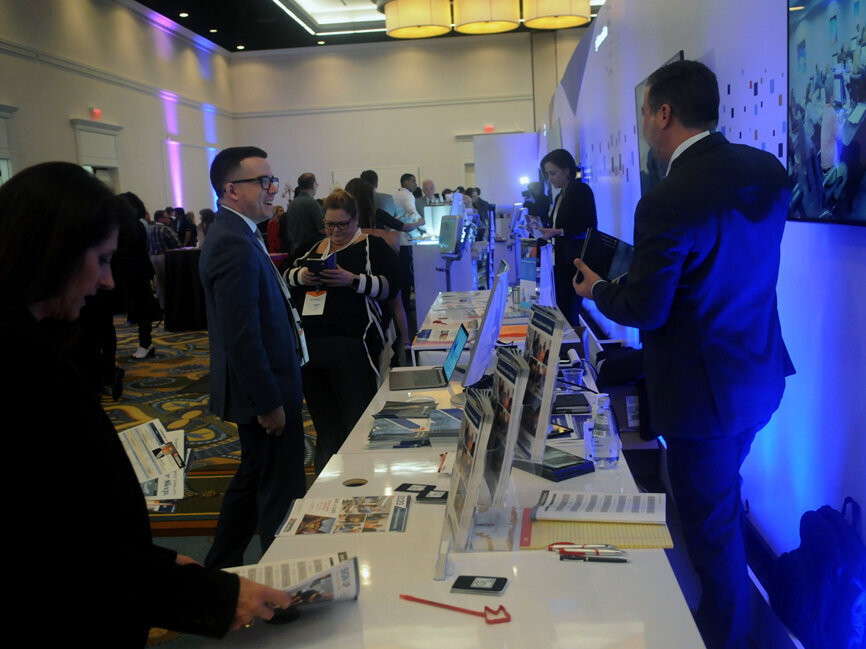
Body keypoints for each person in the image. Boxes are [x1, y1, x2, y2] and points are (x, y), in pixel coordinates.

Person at [0, 162, 291, 645]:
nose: (109, 281)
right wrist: (203, 595)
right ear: (54, 256)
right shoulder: (16, 362)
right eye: (102, 259)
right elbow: (52, 544)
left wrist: (151, 560)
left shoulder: (36, 340)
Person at [573, 60, 794, 649]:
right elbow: (727, 274)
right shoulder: (768, 172)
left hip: (703, 402)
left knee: (711, 530)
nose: (643, 121)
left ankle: (726, 637)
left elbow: (649, 307)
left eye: (644, 110)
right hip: (761, 377)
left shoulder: (667, 199)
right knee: (722, 508)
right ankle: (732, 620)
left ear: (663, 113)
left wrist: (597, 288)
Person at [200, 146, 308, 568]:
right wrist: (269, 404)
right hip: (267, 394)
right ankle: (281, 587)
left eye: (272, 180)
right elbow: (241, 336)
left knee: (252, 481)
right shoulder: (232, 241)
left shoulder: (242, 232)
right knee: (280, 492)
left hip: (271, 386)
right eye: (262, 182)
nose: (272, 189)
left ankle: (216, 570)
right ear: (231, 190)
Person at [285, 188, 399, 473]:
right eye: (329, 225)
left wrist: (352, 280)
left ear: (355, 219)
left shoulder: (373, 246)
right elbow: (284, 276)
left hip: (354, 346)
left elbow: (391, 287)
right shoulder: (314, 247)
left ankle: (359, 479)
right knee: (325, 424)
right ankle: (326, 483)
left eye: (342, 225)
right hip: (311, 349)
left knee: (356, 422)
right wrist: (304, 276)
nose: (335, 231)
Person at [345, 177, 410, 363]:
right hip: (385, 271)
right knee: (396, 304)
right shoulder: (379, 216)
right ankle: (405, 344)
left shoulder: (349, 226)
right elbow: (397, 240)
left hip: (360, 278)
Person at [538, 148, 597, 329]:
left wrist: (559, 232)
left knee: (569, 309)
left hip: (575, 260)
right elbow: (557, 227)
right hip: (562, 259)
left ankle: (573, 351)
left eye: (553, 173)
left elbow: (588, 226)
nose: (551, 178)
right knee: (562, 307)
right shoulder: (559, 196)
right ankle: (567, 349)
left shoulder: (580, 190)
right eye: (548, 174)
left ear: (567, 170)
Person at [116, 191, 157, 360]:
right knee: (139, 308)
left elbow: (130, 250)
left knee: (141, 308)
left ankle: (145, 343)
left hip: (135, 271)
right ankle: (145, 343)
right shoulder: (132, 224)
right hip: (133, 270)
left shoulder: (132, 225)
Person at [281, 172, 323, 260]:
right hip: (311, 251)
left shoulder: (292, 204)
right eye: (316, 184)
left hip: (295, 251)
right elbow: (322, 229)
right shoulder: (312, 203)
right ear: (313, 185)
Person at [147, 208, 182, 312]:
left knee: (160, 283)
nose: (169, 219)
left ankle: (162, 305)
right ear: (161, 218)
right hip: (165, 257)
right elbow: (176, 244)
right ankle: (173, 305)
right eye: (167, 217)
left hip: (153, 257)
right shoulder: (166, 229)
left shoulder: (150, 228)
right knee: (169, 281)